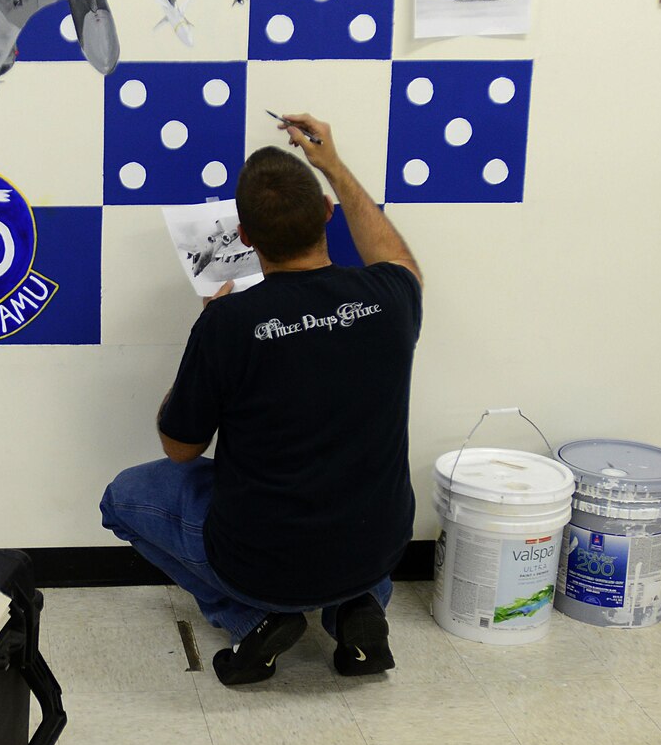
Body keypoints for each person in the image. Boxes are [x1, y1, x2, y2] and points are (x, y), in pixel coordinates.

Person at [99, 113, 422, 686]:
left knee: (123, 497)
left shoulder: (228, 324)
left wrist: (207, 338)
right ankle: (359, 604)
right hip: (378, 543)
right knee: (350, 488)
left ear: (244, 238)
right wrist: (333, 165)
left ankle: (252, 618)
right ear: (327, 213)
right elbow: (397, 257)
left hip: (264, 558)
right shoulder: (391, 297)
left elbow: (179, 449)